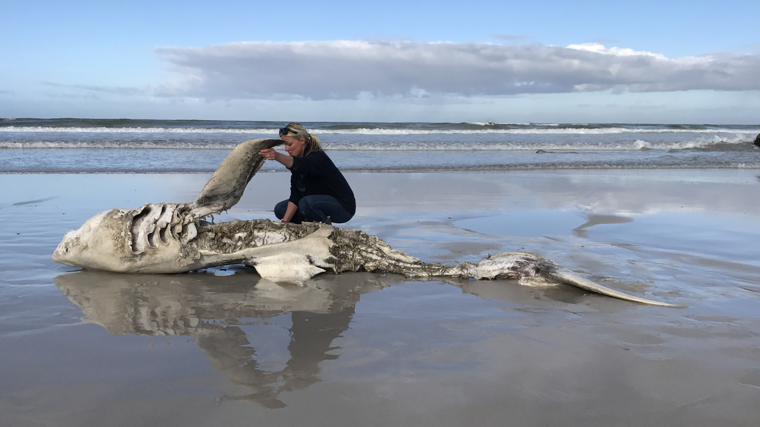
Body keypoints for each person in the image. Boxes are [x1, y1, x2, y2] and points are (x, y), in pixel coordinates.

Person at [258, 123, 355, 224]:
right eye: (285, 145)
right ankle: (307, 225)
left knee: (305, 203)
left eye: (289, 144)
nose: (286, 149)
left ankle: (324, 228)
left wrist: (277, 156)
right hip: (314, 203)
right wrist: (284, 222)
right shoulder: (298, 164)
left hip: (343, 208)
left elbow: (301, 165)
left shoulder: (317, 157)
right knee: (280, 209)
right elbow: (296, 196)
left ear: (302, 141)